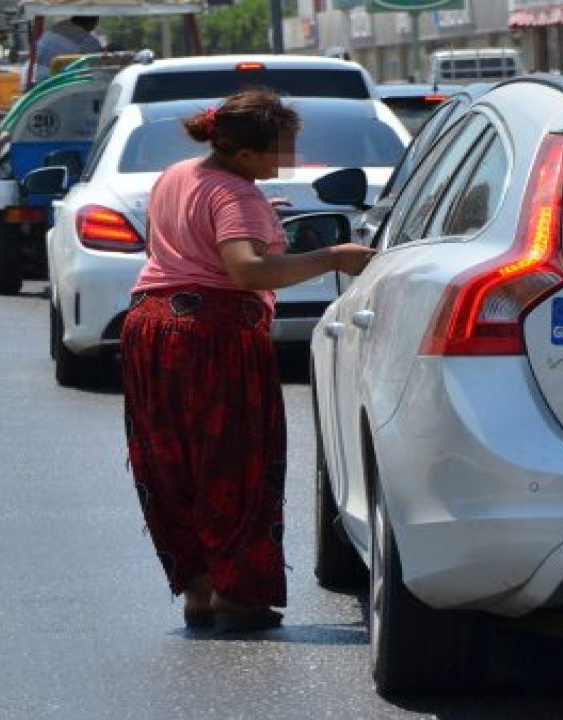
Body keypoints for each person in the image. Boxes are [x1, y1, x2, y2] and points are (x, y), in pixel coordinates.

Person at [120, 89, 376, 632]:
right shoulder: (236, 193)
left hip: (150, 328)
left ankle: (199, 589)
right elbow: (247, 272)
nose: (287, 161)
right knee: (235, 464)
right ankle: (239, 597)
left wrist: (259, 218)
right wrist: (333, 256)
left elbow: (171, 246)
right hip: (213, 336)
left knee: (171, 463)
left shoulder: (178, 174)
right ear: (243, 153)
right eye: (279, 151)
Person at [31, 16, 102, 84]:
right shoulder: (89, 40)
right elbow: (98, 65)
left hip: (38, 79)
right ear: (91, 23)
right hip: (59, 84)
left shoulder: (57, 27)